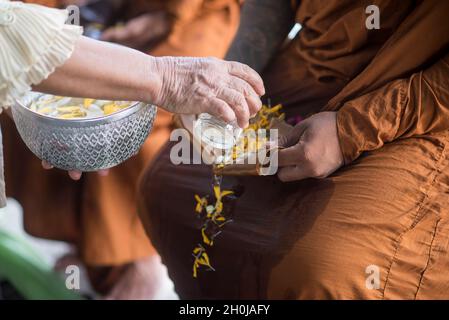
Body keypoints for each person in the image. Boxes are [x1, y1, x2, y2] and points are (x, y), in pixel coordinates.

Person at [138, 0, 449, 299]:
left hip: (417, 108)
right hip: (310, 65)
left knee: (320, 266)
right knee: (166, 184)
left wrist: (349, 131)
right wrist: (228, 87)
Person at [0, 0, 263, 296]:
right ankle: (90, 250)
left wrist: (169, 20)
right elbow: (11, 38)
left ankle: (135, 256)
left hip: (189, 11)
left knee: (131, 123)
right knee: (67, 116)